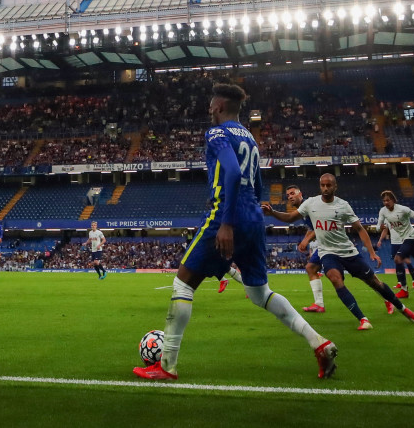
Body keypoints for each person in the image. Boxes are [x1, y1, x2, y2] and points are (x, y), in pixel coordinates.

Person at [133, 83, 337, 381]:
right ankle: (319, 343)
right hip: (254, 216)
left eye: (210, 105)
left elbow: (231, 171)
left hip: (226, 213)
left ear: (218, 107)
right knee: (260, 293)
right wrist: (248, 214)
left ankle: (166, 366)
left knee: (183, 285)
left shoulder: (217, 132)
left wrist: (227, 222)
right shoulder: (251, 140)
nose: (208, 110)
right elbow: (256, 185)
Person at [264, 173, 414, 331]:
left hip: (347, 251)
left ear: (335, 186)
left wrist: (372, 252)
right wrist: (273, 212)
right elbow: (291, 217)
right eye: (322, 185)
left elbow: (359, 228)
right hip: (327, 252)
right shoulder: (311, 203)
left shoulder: (343, 205)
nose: (325, 188)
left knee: (374, 282)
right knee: (334, 278)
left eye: (329, 185)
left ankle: (403, 309)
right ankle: (363, 319)